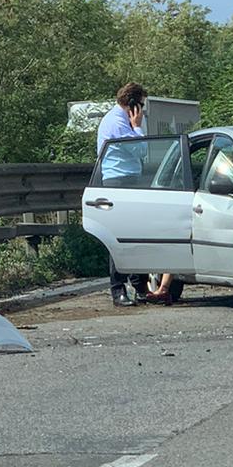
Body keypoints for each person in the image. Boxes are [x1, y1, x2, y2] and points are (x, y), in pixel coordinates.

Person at [97, 82, 150, 307]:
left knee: (137, 233)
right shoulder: (118, 123)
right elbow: (141, 149)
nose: (143, 111)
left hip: (129, 178)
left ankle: (139, 285)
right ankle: (118, 289)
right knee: (119, 236)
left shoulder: (122, 120)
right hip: (119, 180)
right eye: (141, 106)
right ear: (132, 105)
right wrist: (137, 126)